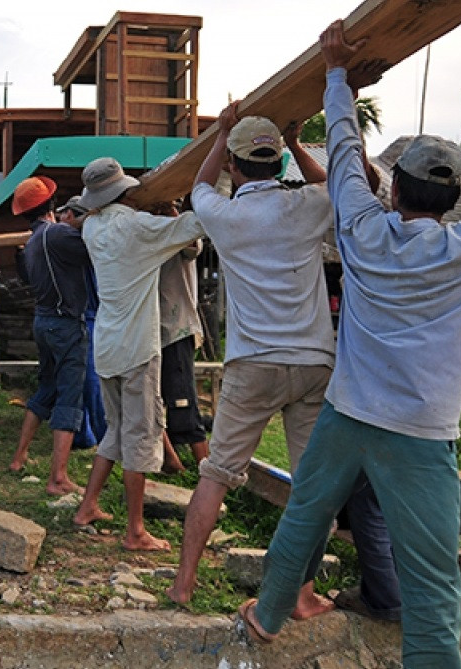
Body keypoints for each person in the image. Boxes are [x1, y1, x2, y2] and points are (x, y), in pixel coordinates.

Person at [239, 20, 461, 668]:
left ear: (395, 189)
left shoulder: (362, 229)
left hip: (349, 411)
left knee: (304, 514)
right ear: (450, 199)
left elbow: (339, 148)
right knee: (430, 575)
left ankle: (267, 614)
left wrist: (336, 76)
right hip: (421, 432)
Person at [165, 103, 346, 618]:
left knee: (217, 473)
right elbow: (341, 187)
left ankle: (183, 585)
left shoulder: (226, 215)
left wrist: (220, 135)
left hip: (253, 365)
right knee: (311, 486)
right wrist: (296, 145)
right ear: (279, 162)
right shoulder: (308, 204)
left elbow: (199, 186)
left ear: (235, 166)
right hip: (314, 363)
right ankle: (302, 594)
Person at [70, 157, 207, 551]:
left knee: (115, 431)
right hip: (137, 349)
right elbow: (196, 228)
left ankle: (87, 507)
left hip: (108, 345)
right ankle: (135, 531)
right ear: (126, 192)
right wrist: (173, 208)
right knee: (141, 435)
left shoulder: (92, 227)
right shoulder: (137, 227)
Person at [8, 177, 94, 495]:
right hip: (66, 324)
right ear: (52, 206)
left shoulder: (31, 243)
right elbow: (96, 250)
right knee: (70, 396)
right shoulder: (57, 234)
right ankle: (58, 478)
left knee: (46, 388)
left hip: (43, 322)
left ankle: (19, 457)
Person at [156, 216, 210, 474]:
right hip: (155, 329)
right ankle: (172, 459)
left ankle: (205, 469)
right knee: (160, 395)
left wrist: (171, 214)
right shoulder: (150, 232)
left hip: (177, 328)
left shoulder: (183, 232)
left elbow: (193, 247)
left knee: (182, 400)